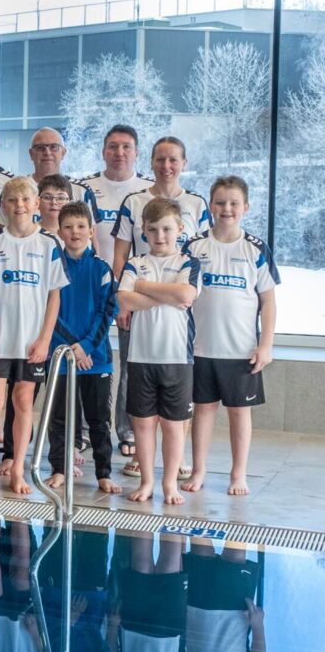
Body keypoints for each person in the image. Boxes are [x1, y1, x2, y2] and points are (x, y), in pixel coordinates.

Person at [112, 136, 210, 478]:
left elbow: (192, 275)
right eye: (160, 159)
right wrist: (127, 300)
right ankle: (139, 451)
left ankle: (174, 461)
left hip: (177, 317)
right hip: (140, 305)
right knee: (135, 375)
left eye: (173, 159)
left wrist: (144, 289)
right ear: (151, 162)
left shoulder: (196, 204)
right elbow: (121, 256)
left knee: (176, 395)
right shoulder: (135, 201)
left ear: (183, 163)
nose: (166, 166)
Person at [0, 177, 67, 494]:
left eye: (25, 199)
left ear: (36, 204)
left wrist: (45, 339)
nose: (19, 206)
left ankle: (18, 470)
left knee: (24, 402)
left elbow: (54, 296)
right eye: (12, 200)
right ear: (4, 206)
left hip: (31, 342)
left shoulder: (49, 244)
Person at [182, 176, 278, 497]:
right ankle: (199, 470)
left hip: (241, 351)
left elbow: (268, 301)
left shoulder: (255, 248)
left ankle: (238, 473)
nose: (227, 209)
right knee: (203, 410)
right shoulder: (194, 246)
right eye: (221, 203)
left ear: (245, 207)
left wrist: (266, 345)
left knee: (239, 412)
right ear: (211, 206)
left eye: (234, 203)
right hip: (200, 348)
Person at [117, 197, 201, 504]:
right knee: (143, 423)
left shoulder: (188, 262)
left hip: (176, 358)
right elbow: (124, 300)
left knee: (173, 425)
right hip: (141, 357)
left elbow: (186, 293)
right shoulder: (136, 263)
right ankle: (148, 481)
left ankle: (169, 484)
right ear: (144, 231)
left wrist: (142, 287)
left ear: (179, 228)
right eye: (153, 230)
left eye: (166, 229)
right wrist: (167, 295)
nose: (160, 236)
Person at [77, 124, 150, 459]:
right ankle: (84, 429)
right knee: (87, 357)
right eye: (113, 146)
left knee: (130, 363)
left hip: (129, 291)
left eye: (126, 146)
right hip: (90, 288)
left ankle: (126, 429)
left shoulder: (147, 191)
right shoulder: (86, 188)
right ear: (103, 151)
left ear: (136, 152)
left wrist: (123, 296)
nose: (119, 152)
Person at [45, 201, 121, 495]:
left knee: (99, 419)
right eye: (68, 227)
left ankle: (103, 473)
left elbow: (107, 311)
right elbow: (49, 312)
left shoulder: (101, 269)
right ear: (59, 231)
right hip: (61, 356)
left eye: (80, 226)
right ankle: (59, 468)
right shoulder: (53, 266)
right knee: (59, 417)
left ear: (91, 231)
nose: (74, 232)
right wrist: (72, 348)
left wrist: (86, 346)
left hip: (95, 358)